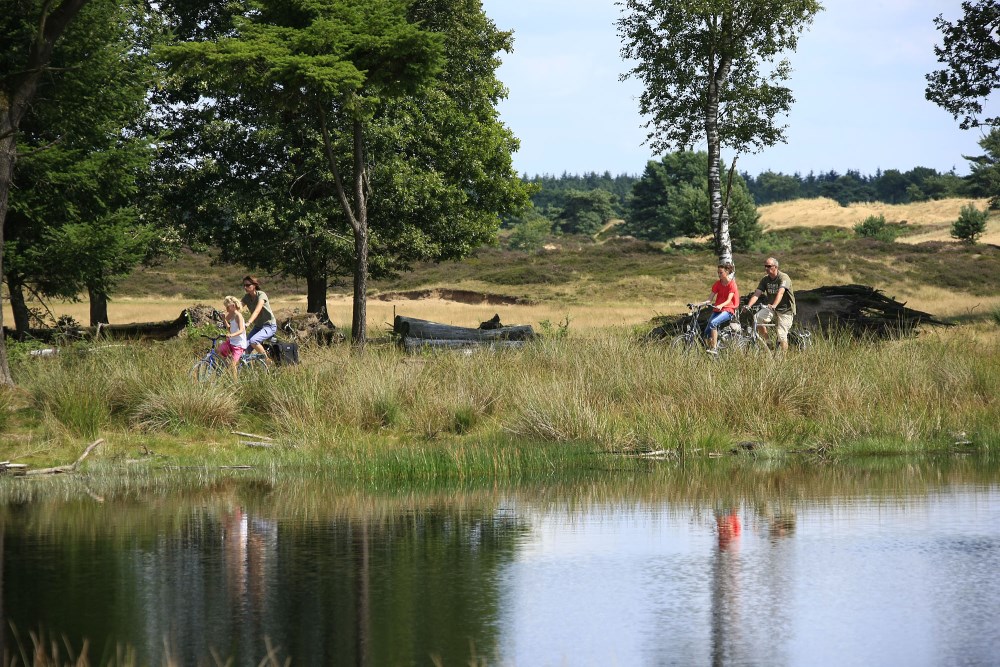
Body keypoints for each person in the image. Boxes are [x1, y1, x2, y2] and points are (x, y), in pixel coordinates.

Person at [746, 257, 796, 351]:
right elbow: (757, 293)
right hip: (771, 307)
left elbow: (780, 292)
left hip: (786, 310)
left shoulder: (784, 277)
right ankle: (768, 342)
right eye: (765, 266)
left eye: (769, 266)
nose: (766, 269)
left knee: (781, 335)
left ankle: (783, 360)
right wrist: (748, 306)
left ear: (775, 267)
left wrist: (774, 305)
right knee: (757, 318)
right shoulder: (765, 279)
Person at [700, 262, 739, 355]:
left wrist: (721, 305)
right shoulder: (717, 284)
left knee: (713, 323)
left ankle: (714, 348)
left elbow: (729, 300)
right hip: (717, 309)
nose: (719, 274)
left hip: (728, 309)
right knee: (706, 332)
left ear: (727, 272)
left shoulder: (732, 284)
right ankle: (711, 351)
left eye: (721, 272)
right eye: (718, 272)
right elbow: (709, 299)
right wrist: (699, 304)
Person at [240, 275, 277, 364]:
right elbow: (237, 308)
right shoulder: (246, 297)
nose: (245, 287)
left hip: (269, 326)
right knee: (244, 348)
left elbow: (257, 310)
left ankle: (268, 361)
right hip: (258, 327)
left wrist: (248, 322)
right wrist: (224, 315)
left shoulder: (261, 294)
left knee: (254, 340)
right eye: (244, 285)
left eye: (248, 285)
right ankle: (247, 370)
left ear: (254, 285)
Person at [217, 295, 247, 380]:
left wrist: (231, 335)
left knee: (233, 365)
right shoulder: (232, 316)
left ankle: (235, 382)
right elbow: (230, 328)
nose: (226, 309)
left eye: (227, 307)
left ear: (233, 306)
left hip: (239, 344)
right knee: (219, 350)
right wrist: (224, 319)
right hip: (231, 342)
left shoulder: (238, 316)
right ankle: (227, 367)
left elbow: (241, 330)